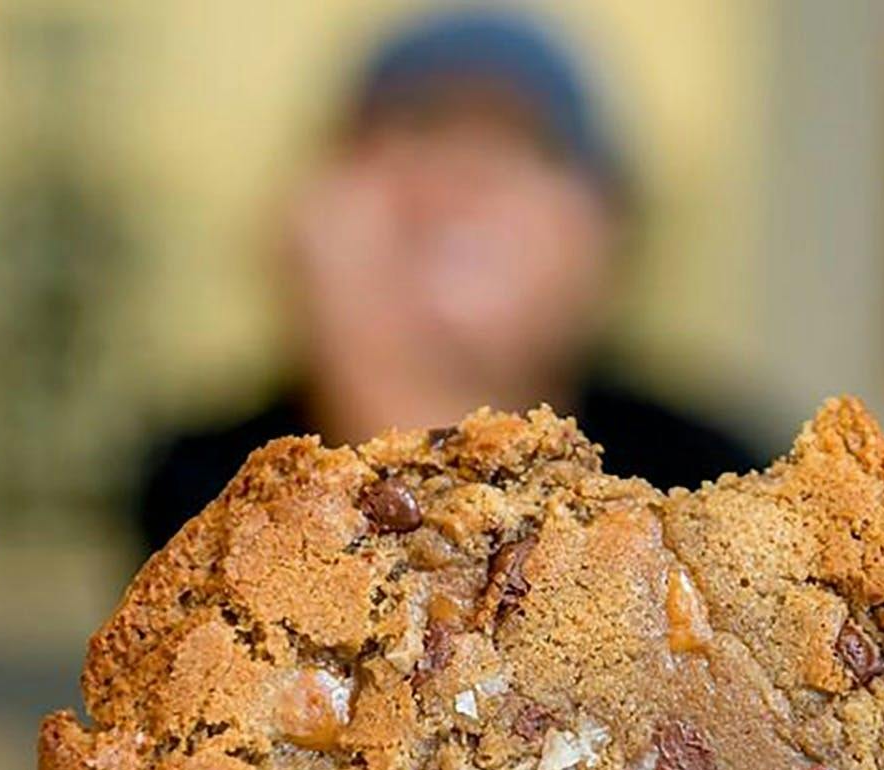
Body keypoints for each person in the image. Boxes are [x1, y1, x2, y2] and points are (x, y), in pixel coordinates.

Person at [138, 7, 768, 555]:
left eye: (526, 142)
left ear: (607, 234)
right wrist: (361, 352)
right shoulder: (216, 475)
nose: (464, 175)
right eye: (419, 128)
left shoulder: (718, 478)